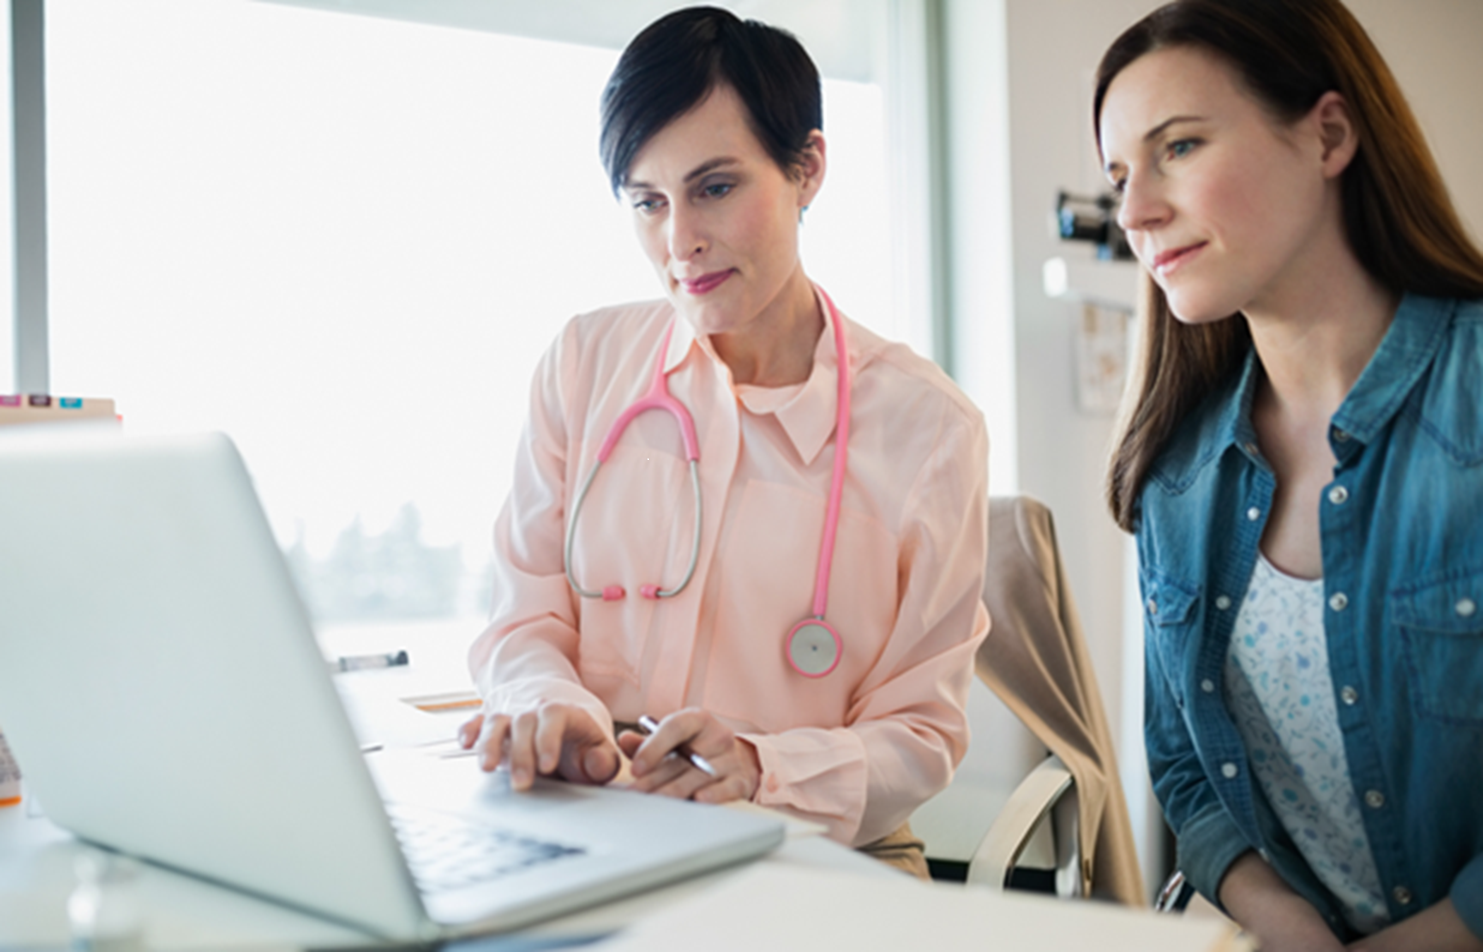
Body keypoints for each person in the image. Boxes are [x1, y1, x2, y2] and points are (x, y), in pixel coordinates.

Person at [456, 6, 990, 878]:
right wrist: (549, 702)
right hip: (595, 828)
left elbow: (922, 732)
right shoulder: (585, 364)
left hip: (810, 855)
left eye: (714, 188)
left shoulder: (929, 431)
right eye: (647, 202)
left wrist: (760, 769)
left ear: (806, 168)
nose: (679, 243)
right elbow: (524, 616)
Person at [1096, 0, 1483, 948]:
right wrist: (1281, 921)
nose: (1135, 211)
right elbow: (1185, 773)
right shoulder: (1174, 474)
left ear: (1329, 134)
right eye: (1118, 175)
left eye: (1177, 147)